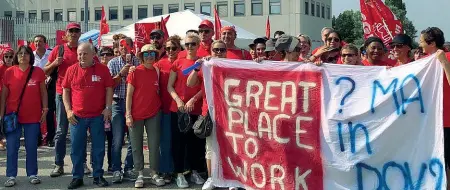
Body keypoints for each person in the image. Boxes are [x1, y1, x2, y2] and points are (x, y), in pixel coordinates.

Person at [186, 40, 238, 190]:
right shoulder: (205, 65)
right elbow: (190, 83)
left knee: (231, 147)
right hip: (209, 111)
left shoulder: (231, 66)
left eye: (222, 50)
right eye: (216, 50)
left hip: (230, 112)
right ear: (211, 50)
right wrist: (197, 67)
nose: (219, 53)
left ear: (226, 51)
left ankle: (231, 179)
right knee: (211, 148)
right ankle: (212, 178)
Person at [62, 42, 113, 189]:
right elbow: (65, 90)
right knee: (76, 149)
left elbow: (109, 88)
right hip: (77, 117)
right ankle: (77, 177)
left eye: (85, 53)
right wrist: (68, 110)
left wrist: (108, 108)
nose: (82, 56)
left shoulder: (102, 70)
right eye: (79, 54)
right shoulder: (71, 70)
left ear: (93, 55)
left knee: (98, 148)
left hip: (98, 116)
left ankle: (98, 175)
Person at [45, 22, 92, 177]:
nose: (73, 33)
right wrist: (54, 63)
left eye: (76, 30)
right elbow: (45, 70)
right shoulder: (59, 49)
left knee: (80, 131)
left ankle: (82, 163)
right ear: (66, 33)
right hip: (61, 93)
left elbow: (94, 65)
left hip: (79, 95)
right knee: (61, 131)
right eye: (71, 30)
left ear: (80, 33)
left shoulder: (83, 49)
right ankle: (58, 164)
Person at [1, 45, 48, 187]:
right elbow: (3, 95)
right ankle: (11, 175)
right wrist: (1, 115)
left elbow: (43, 92)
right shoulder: (9, 72)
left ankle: (32, 174)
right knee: (12, 147)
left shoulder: (38, 72)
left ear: (30, 56)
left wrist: (45, 109)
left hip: (33, 116)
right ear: (16, 56)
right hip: (12, 116)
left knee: (31, 146)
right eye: (20, 53)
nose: (23, 56)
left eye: (26, 53)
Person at [167, 33, 206, 188]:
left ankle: (195, 171)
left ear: (198, 45)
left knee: (195, 143)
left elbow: (205, 87)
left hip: (195, 108)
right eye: (187, 44)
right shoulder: (178, 62)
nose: (190, 47)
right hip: (178, 109)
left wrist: (193, 100)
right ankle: (179, 173)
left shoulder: (204, 63)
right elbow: (170, 86)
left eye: (193, 44)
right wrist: (178, 100)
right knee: (178, 143)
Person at [126, 44, 165, 188]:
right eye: (146, 54)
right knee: (136, 145)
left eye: (152, 54)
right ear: (142, 57)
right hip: (136, 114)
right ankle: (140, 173)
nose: (150, 57)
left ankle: (154, 173)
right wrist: (128, 114)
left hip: (154, 112)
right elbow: (129, 95)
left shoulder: (156, 70)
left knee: (154, 144)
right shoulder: (135, 72)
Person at [417, 27, 450, 190]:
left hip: (448, 121)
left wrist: (444, 62)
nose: (419, 43)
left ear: (431, 43)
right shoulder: (425, 61)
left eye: (422, 41)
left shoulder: (447, 57)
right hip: (431, 121)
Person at [107, 37, 138, 183]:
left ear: (132, 47)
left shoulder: (138, 61)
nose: (124, 47)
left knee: (133, 139)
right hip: (118, 103)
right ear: (118, 48)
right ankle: (116, 169)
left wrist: (134, 73)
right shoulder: (113, 62)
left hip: (134, 104)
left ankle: (128, 167)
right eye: (121, 45)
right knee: (117, 139)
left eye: (127, 45)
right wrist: (121, 74)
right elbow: (109, 86)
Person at [155, 35, 182, 183]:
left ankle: (179, 169)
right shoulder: (160, 64)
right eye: (168, 48)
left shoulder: (183, 63)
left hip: (181, 109)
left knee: (178, 142)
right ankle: (166, 170)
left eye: (174, 48)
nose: (170, 50)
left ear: (179, 49)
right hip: (165, 108)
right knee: (165, 142)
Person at [33, 34, 54, 147]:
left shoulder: (50, 54)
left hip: (49, 87)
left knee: (49, 112)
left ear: (45, 43)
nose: (37, 43)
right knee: (36, 113)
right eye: (36, 41)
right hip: (34, 88)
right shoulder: (31, 56)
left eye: (40, 41)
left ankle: (50, 137)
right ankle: (38, 137)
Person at [0, 48, 14, 151]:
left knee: (11, 119)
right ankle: (1, 140)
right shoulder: (1, 68)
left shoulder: (17, 68)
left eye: (10, 56)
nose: (8, 59)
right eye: (6, 56)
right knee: (1, 118)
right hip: (2, 97)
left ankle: (11, 140)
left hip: (14, 97)